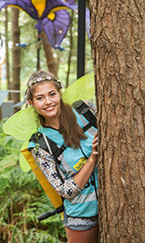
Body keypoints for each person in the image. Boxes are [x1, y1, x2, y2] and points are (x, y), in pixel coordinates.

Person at [25, 70, 99, 243]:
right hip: (82, 217)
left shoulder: (86, 110)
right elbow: (66, 191)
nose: (48, 101)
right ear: (31, 103)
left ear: (60, 93)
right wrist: (92, 159)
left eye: (52, 94)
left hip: (118, 202)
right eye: (40, 98)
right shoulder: (39, 144)